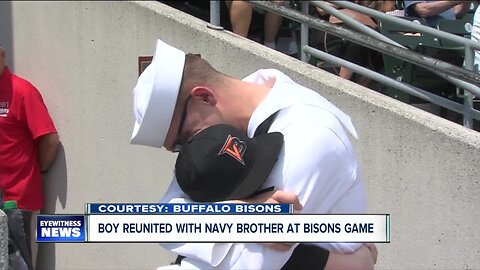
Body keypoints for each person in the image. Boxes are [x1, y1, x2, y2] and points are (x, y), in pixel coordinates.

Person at [131, 39, 375, 269]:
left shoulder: (309, 137)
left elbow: (248, 262)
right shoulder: (246, 107)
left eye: (183, 140)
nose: (190, 151)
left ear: (204, 97)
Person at [0, 45, 61, 270]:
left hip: (17, 202)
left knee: (18, 265)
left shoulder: (22, 91)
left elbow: (50, 140)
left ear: (2, 55)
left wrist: (40, 171)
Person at [404, 0, 471, 27]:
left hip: (452, 33)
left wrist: (466, 2)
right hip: (428, 36)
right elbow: (423, 10)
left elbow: (456, 14)